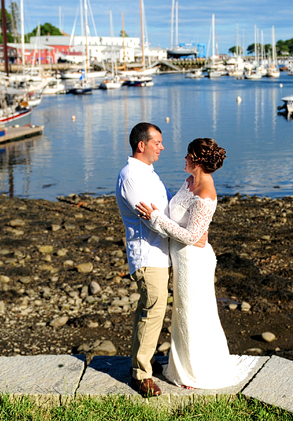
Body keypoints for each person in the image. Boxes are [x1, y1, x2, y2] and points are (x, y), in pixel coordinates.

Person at [135, 138, 255, 390]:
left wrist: (155, 217)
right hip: (180, 258)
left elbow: (192, 237)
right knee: (182, 313)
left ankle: (196, 372)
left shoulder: (206, 194)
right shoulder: (190, 182)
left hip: (193, 262)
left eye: (188, 155)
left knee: (193, 314)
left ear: (198, 161)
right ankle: (185, 365)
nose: (184, 158)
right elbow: (180, 217)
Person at [114, 122, 174, 398]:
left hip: (159, 254)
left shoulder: (149, 173)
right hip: (148, 255)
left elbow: (165, 209)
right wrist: (182, 232)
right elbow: (152, 222)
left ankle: (142, 362)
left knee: (150, 311)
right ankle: (141, 373)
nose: (162, 147)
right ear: (142, 145)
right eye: (157, 142)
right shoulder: (131, 177)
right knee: (152, 311)